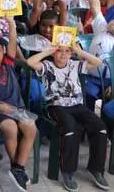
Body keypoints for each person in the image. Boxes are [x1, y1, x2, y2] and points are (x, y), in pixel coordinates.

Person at [27, 44, 108, 192]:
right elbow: (30, 62)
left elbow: (98, 62)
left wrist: (79, 51)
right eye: (59, 51)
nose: (63, 54)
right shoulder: (47, 65)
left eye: (67, 51)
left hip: (78, 106)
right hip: (56, 106)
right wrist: (47, 51)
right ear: (53, 52)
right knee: (71, 129)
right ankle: (68, 172)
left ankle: (96, 169)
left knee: (100, 128)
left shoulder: (75, 65)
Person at [0, 18, 37, 192]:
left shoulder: (8, 63)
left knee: (30, 128)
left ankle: (19, 168)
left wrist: (11, 23)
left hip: (18, 108)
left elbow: (12, 41)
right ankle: (15, 165)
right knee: (11, 129)